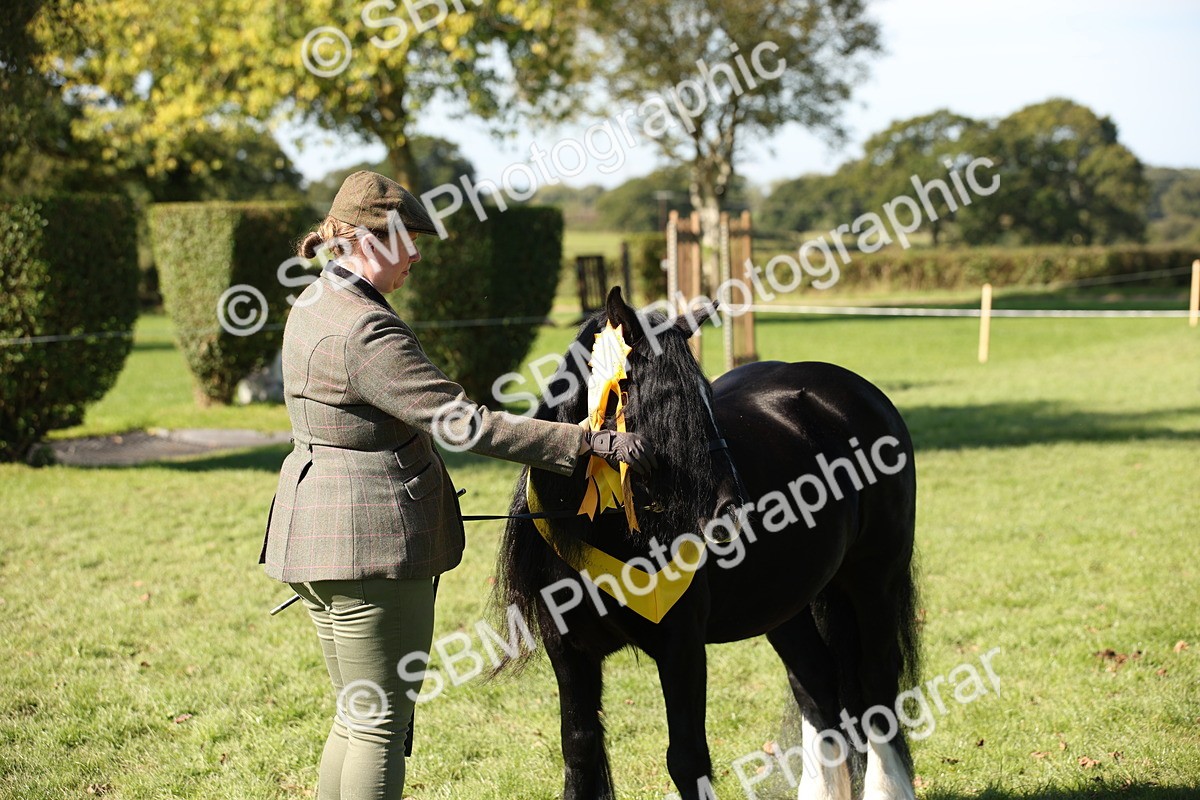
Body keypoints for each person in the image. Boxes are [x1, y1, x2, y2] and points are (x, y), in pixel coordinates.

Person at [258, 170, 655, 800]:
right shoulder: (365, 328)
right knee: (380, 721)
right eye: (405, 240)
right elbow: (464, 422)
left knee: (356, 713)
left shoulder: (314, 302)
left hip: (313, 533)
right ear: (368, 240)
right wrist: (585, 442)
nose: (416, 254)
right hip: (369, 546)